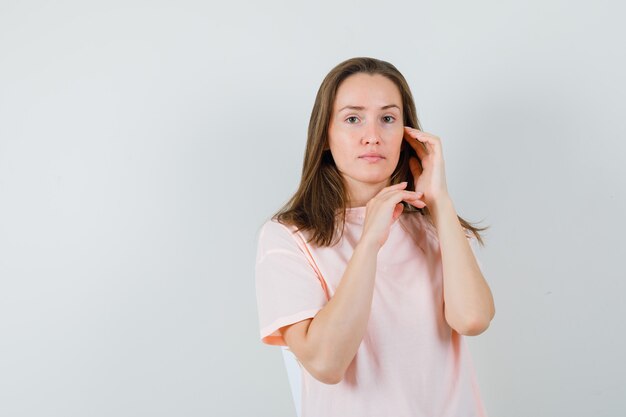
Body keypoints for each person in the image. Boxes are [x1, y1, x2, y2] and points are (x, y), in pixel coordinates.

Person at [254, 56, 496, 417]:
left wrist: (440, 202)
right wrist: (369, 241)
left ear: (407, 134)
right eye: (353, 118)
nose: (373, 135)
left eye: (388, 118)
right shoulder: (287, 238)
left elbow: (473, 319)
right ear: (324, 136)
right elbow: (326, 363)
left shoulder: (436, 226)